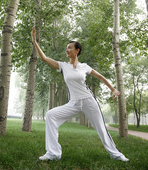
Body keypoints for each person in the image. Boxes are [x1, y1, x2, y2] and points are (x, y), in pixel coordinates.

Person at [31, 26, 129, 162]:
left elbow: (100, 77)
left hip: (89, 101)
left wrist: (113, 89)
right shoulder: (63, 66)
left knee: (101, 128)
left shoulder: (85, 67)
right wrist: (35, 41)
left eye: (70, 47)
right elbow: (44, 58)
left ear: (77, 51)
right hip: (74, 103)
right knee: (51, 115)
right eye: (67, 47)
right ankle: (53, 153)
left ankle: (116, 154)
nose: (67, 49)